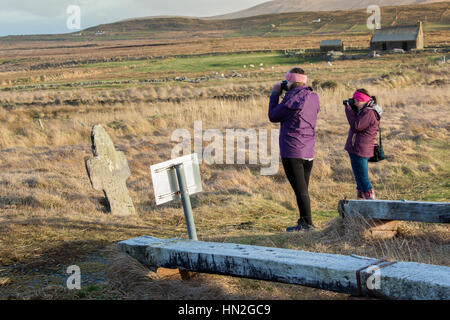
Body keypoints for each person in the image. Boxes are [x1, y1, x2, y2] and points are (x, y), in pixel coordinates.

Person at [268, 68, 320, 232]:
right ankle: (304, 221)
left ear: (290, 82)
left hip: (292, 150)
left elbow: (273, 116)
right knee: (303, 189)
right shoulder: (314, 97)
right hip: (308, 150)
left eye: (287, 81)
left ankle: (307, 224)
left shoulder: (292, 100)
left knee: (300, 190)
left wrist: (275, 94)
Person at [344, 89, 383, 200]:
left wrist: (348, 110)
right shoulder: (365, 110)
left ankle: (372, 203)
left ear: (363, 101)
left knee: (363, 181)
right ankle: (361, 206)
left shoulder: (369, 112)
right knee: (360, 181)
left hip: (360, 149)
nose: (354, 103)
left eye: (356, 100)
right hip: (358, 148)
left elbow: (356, 126)